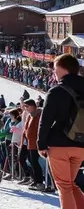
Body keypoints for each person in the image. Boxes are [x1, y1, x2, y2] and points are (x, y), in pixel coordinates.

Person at [37, 54, 84, 208]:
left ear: (64, 68)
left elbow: (46, 120)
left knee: (64, 186)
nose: (54, 72)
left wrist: (41, 143)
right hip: (81, 145)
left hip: (59, 143)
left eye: (55, 68)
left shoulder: (57, 90)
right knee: (70, 184)